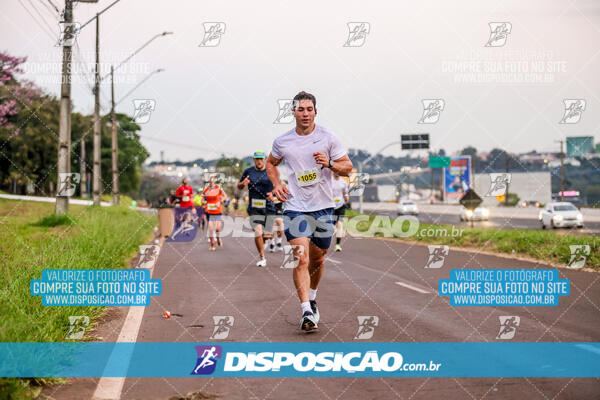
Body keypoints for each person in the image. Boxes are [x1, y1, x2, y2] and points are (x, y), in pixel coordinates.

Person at [266, 91, 353, 332]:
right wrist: (276, 184)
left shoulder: (328, 137)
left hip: (323, 208)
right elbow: (271, 163)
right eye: (300, 109)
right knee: (300, 257)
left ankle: (312, 297)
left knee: (318, 258)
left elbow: (348, 167)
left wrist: (329, 163)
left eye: (309, 109)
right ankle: (306, 310)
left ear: (315, 111)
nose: (305, 113)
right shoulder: (282, 141)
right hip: (295, 207)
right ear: (293, 112)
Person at [238, 151, 275, 267]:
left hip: (269, 207)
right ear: (254, 160)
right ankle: (262, 257)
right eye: (257, 159)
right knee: (258, 232)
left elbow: (279, 186)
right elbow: (239, 186)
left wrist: (272, 194)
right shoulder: (248, 172)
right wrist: (243, 183)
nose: (259, 161)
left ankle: (265, 240)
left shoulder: (271, 171)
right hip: (254, 208)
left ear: (264, 159)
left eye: (261, 159)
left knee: (268, 235)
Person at [203, 175, 227, 251]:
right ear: (209, 182)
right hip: (210, 211)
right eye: (210, 181)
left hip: (217, 211)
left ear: (215, 182)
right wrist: (203, 202)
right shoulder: (206, 189)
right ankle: (212, 245)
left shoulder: (219, 188)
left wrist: (219, 202)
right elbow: (203, 199)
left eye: (213, 181)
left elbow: (225, 196)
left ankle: (218, 238)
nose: (212, 183)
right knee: (210, 229)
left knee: (217, 229)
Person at [331, 173, 349, 252]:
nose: (337, 172)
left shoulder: (343, 182)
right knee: (330, 227)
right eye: (335, 170)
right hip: (330, 206)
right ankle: (323, 244)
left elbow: (345, 193)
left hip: (341, 206)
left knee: (340, 224)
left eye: (339, 171)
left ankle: (337, 245)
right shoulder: (329, 181)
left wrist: (346, 197)